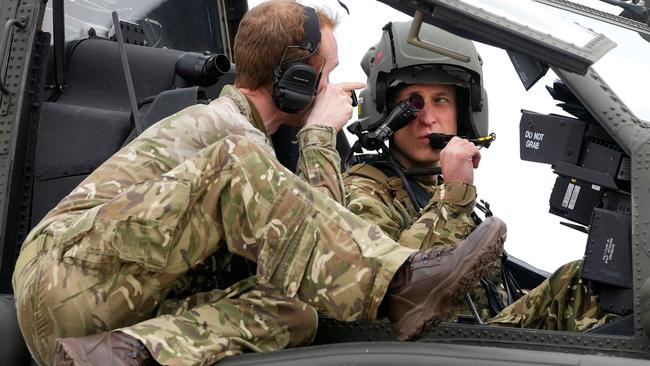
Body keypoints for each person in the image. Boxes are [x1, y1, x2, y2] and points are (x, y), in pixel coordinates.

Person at [12, 2, 506, 365]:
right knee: (239, 163)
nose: (334, 91)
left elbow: (317, 259)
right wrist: (317, 133)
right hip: (62, 275)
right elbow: (325, 229)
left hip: (108, 308)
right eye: (326, 75)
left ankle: (127, 353)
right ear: (293, 81)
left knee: (298, 309)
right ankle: (401, 285)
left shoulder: (257, 150)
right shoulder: (225, 128)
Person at [345, 20, 618, 330]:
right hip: (432, 348)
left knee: (590, 282)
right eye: (413, 103)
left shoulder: (437, 189)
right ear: (384, 111)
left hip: (475, 337)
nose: (428, 118)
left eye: (441, 101)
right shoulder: (363, 190)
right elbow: (394, 289)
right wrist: (455, 194)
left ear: (462, 112)